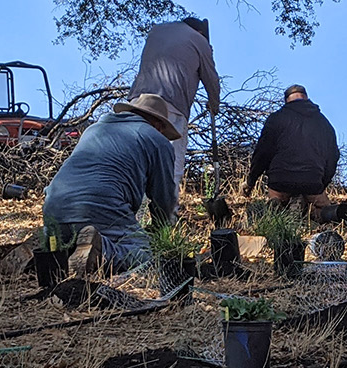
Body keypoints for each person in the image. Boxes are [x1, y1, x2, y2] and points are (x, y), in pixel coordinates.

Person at [40, 93, 182, 273]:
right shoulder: (157, 140)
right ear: (158, 125)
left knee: (67, 244)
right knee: (147, 256)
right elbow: (164, 199)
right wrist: (160, 233)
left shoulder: (93, 129)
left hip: (54, 206)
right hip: (100, 206)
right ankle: (102, 252)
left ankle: (44, 250)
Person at [128, 17, 220, 185]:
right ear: (200, 32)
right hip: (171, 106)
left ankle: (134, 210)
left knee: (137, 162)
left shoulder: (156, 31)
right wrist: (214, 104)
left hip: (137, 102)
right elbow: (211, 79)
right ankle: (167, 210)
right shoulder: (199, 40)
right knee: (171, 163)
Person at [244, 84, 341, 213]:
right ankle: (321, 213)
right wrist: (321, 183)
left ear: (286, 100)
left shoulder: (276, 119)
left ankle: (277, 205)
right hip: (311, 181)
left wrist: (251, 182)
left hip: (280, 181)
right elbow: (333, 157)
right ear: (306, 98)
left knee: (276, 201)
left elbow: (262, 154)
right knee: (324, 210)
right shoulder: (323, 123)